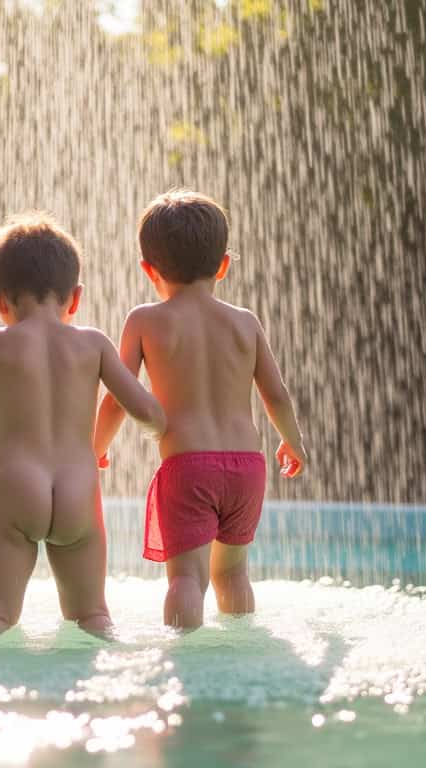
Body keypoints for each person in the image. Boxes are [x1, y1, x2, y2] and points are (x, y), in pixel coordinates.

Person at [0, 213, 165, 636]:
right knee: (93, 619)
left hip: (17, 485)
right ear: (76, 297)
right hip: (79, 490)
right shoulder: (94, 345)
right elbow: (148, 413)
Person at [92, 190, 308, 629]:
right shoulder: (245, 322)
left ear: (148, 270)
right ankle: (239, 653)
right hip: (247, 468)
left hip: (189, 467)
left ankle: (187, 663)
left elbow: (118, 396)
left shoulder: (145, 320)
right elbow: (277, 394)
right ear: (224, 265)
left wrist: (93, 447)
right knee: (233, 573)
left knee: (186, 579)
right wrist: (293, 442)